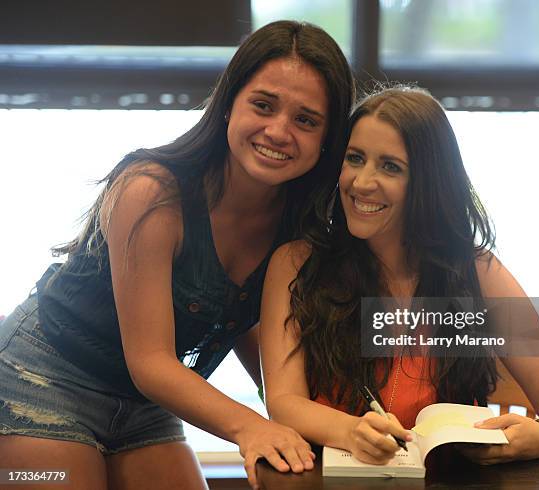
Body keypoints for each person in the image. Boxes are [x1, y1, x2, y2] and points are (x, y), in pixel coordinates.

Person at [0, 20, 354, 490]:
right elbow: (150, 361)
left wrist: (321, 417)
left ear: (328, 138)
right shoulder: (149, 190)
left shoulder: (301, 224)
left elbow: (245, 322)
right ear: (228, 104)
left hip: (144, 405)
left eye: (306, 120)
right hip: (44, 377)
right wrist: (250, 427)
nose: (278, 131)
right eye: (263, 105)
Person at [260, 86, 539, 467]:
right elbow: (283, 403)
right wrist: (351, 431)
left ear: (429, 182)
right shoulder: (296, 264)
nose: (362, 182)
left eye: (390, 166)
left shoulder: (477, 271)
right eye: (355, 158)